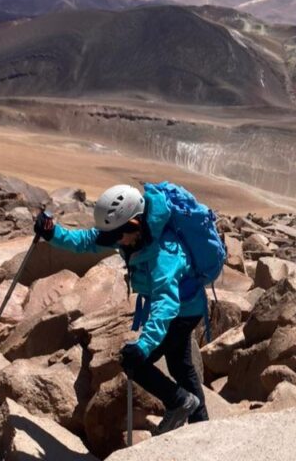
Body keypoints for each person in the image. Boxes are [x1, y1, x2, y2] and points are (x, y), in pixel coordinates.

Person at [34, 184, 209, 436]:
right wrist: (53, 234)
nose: (113, 242)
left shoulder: (163, 255)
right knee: (181, 366)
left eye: (116, 236)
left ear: (134, 225)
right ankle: (202, 427)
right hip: (184, 306)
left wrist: (143, 346)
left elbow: (166, 305)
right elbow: (86, 241)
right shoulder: (129, 237)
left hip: (183, 310)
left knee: (134, 362)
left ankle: (180, 402)